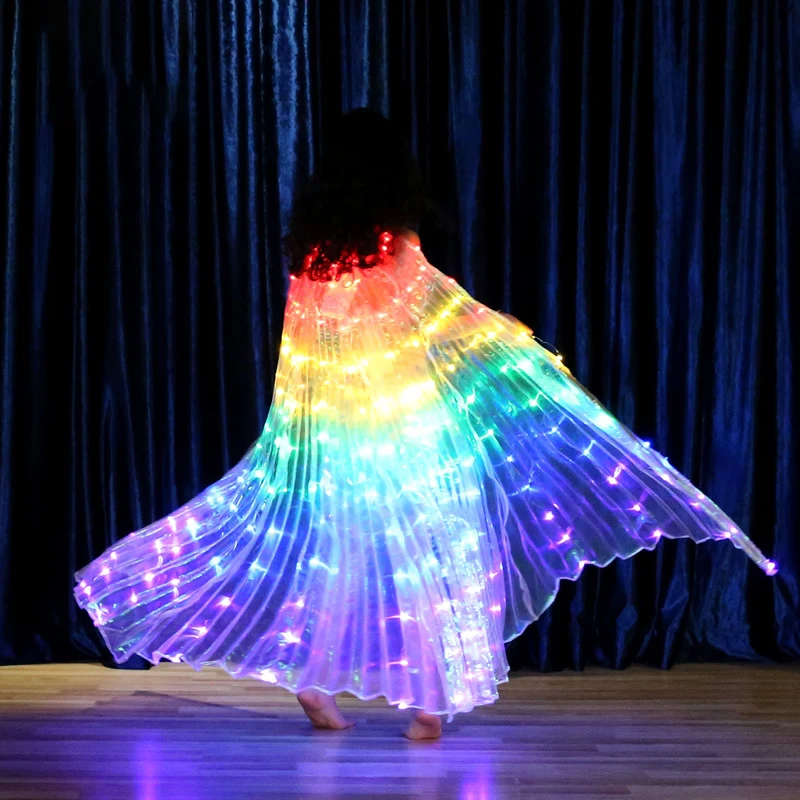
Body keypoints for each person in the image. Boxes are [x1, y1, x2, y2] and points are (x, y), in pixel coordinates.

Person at [75, 108, 776, 741]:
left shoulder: (311, 258)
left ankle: (313, 681)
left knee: (335, 563)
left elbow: (305, 354)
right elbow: (448, 321)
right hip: (409, 429)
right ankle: (429, 704)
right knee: (435, 561)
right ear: (391, 173)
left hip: (335, 439)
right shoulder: (395, 244)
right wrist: (514, 337)